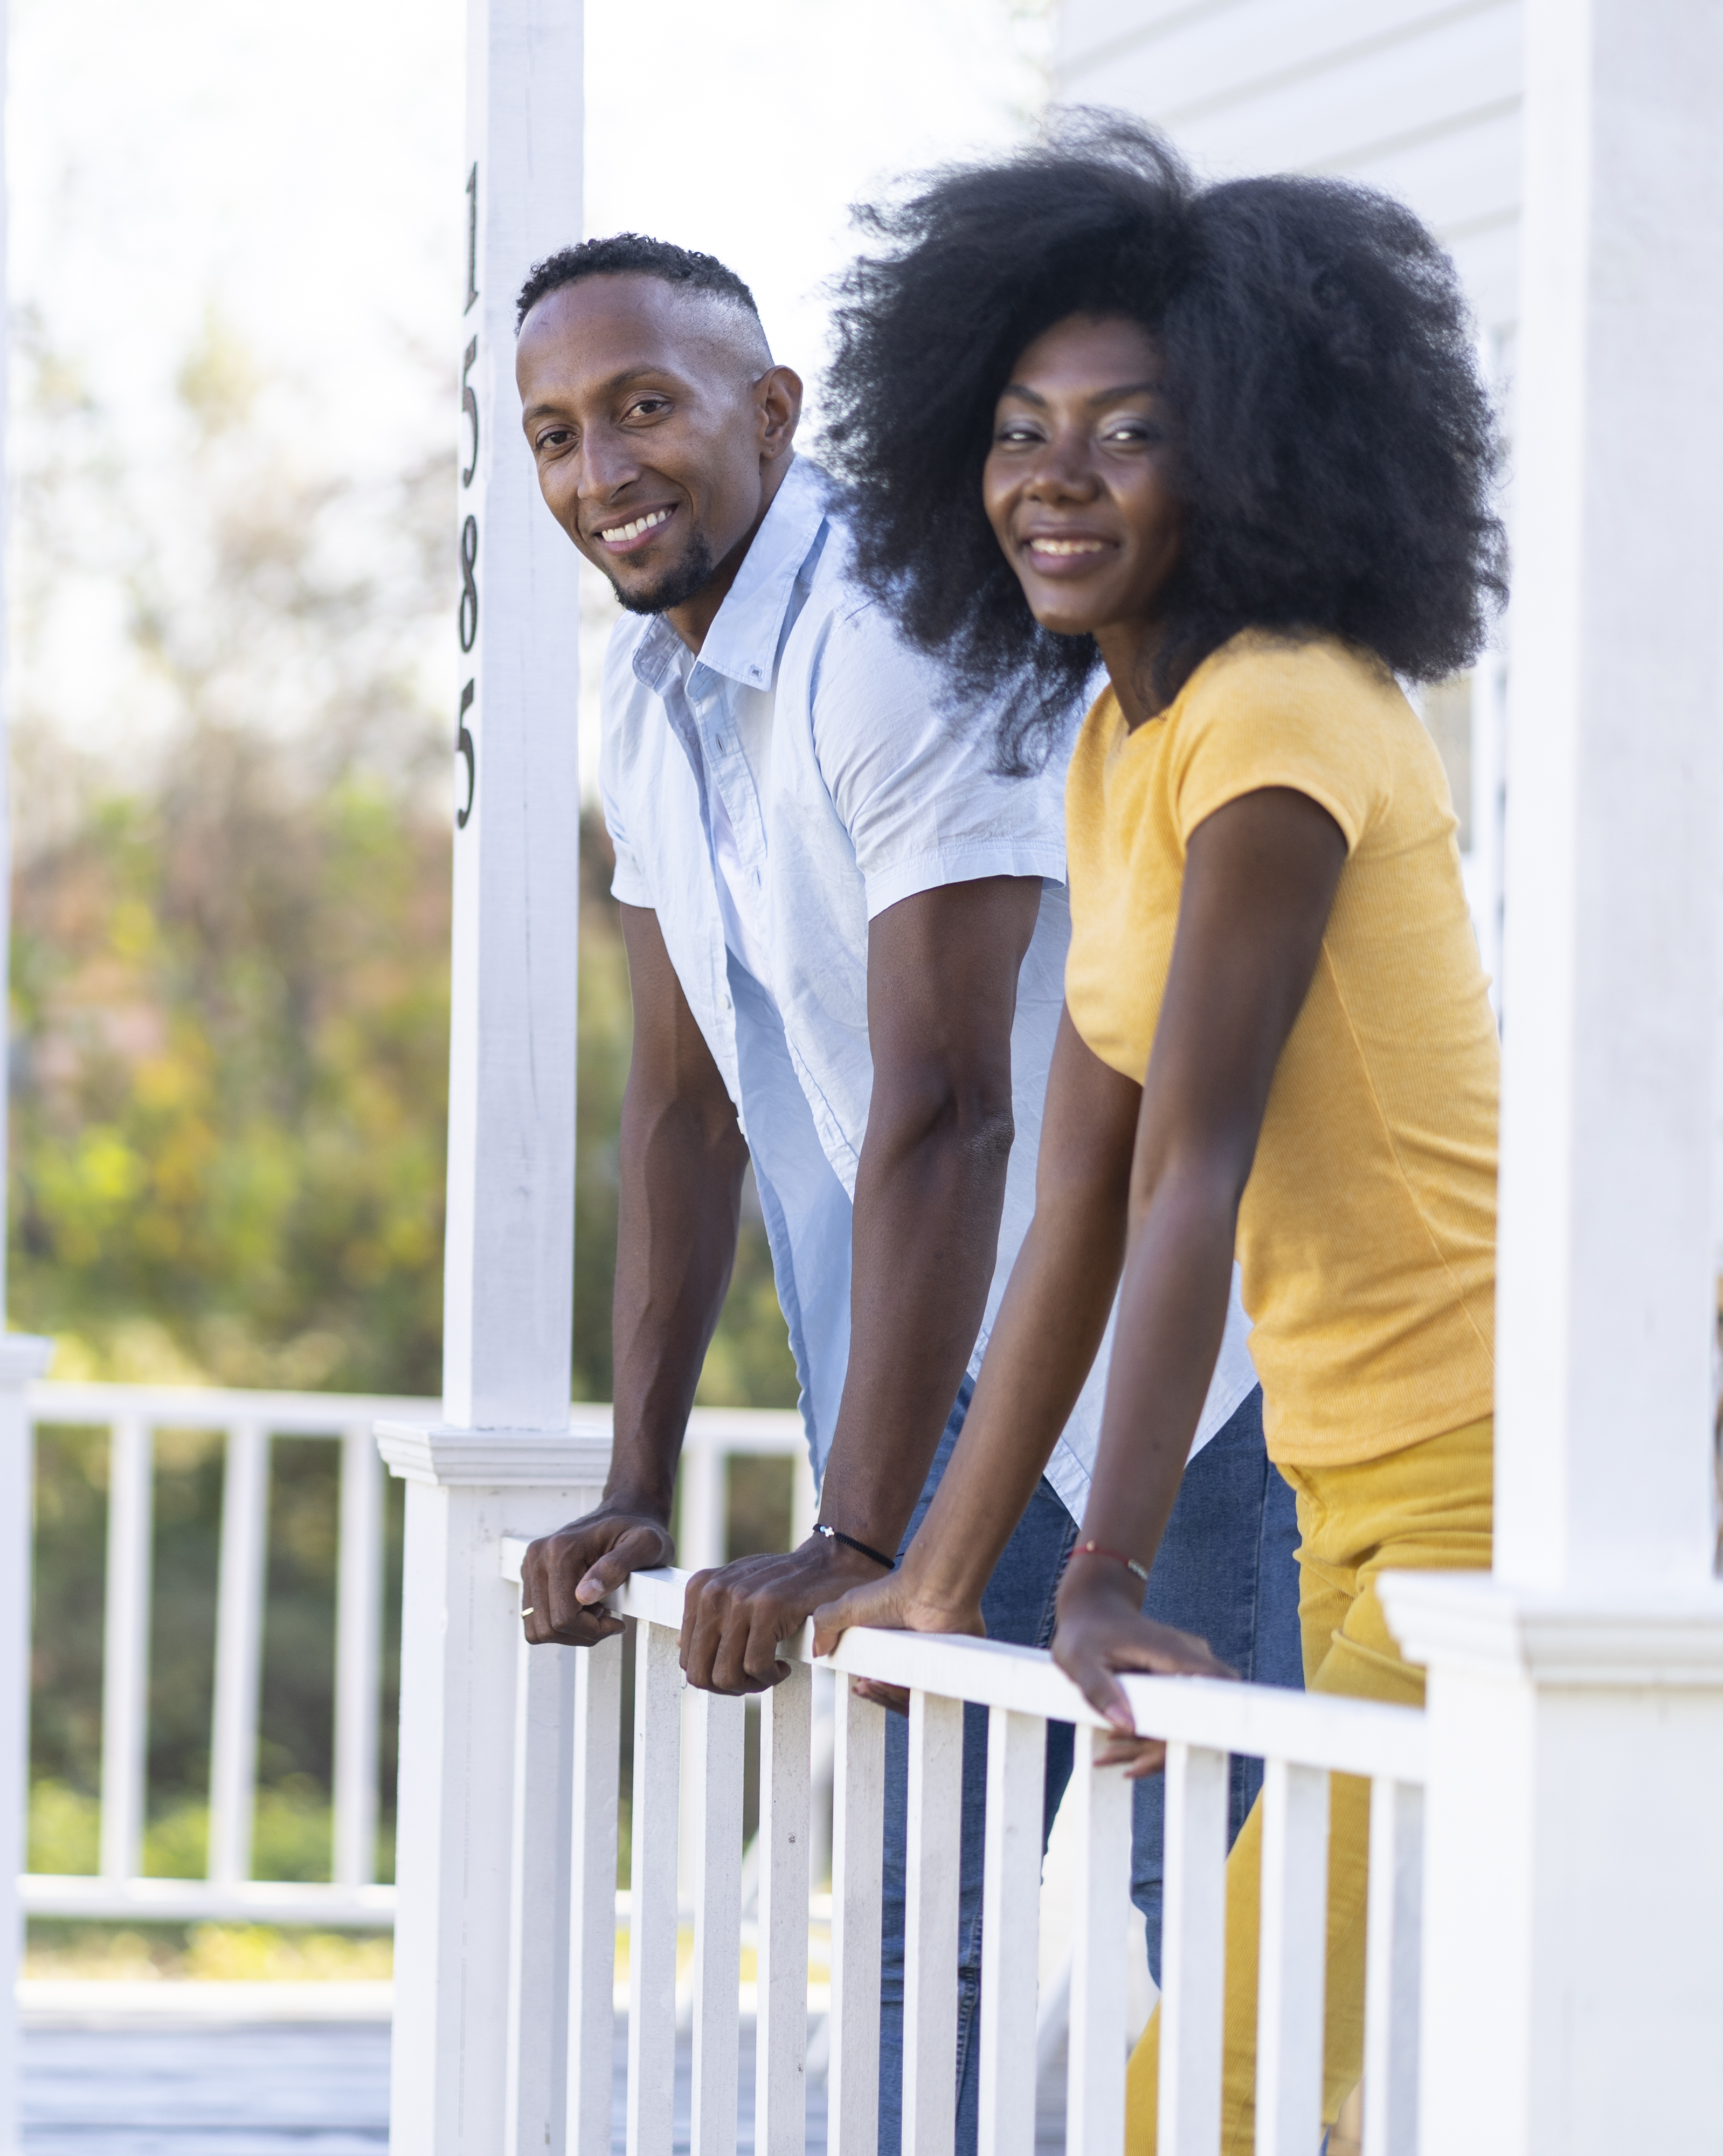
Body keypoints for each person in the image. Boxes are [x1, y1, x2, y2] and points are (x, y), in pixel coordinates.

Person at [504, 232, 1291, 2145]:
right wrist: (635, 1484)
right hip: (951, 1374)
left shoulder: (898, 636)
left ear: (771, 414)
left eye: (643, 409)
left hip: (1176, 1382)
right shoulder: (639, 695)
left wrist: (860, 1541)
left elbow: (956, 1106)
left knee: (1217, 1910)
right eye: (551, 433)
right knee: (924, 1917)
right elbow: (684, 1109)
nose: (599, 469)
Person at [813, 115, 1506, 2149]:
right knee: (1291, 2071)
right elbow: (1079, 1211)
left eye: (1128, 432)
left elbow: (1194, 1163)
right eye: (1022, 428)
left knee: (1215, 2084)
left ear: (1255, 455)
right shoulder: (1127, 741)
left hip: (1476, 1500)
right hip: (1351, 1489)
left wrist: (1099, 1567)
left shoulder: (1282, 721)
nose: (1054, 475)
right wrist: (943, 1579)